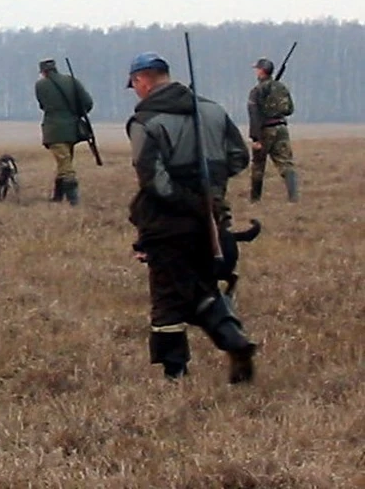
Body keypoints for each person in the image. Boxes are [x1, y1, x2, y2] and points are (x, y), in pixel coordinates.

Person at [125, 52, 257, 383]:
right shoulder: (212, 110)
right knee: (202, 287)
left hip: (167, 224)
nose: (136, 91)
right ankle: (232, 340)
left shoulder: (145, 122)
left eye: (135, 85)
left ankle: (176, 373)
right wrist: (211, 190)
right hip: (213, 220)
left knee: (168, 296)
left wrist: (188, 201)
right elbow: (240, 157)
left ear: (143, 80)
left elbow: (153, 180)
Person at [34, 58, 94, 205]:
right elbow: (88, 103)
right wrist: (76, 113)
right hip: (72, 129)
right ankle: (58, 196)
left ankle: (74, 201)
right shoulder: (72, 81)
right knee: (65, 160)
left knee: (65, 164)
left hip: (54, 129)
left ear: (43, 72)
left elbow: (42, 105)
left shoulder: (41, 85)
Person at [247, 58, 299, 203]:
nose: (256, 71)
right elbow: (289, 109)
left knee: (258, 165)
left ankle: (255, 200)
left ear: (262, 71)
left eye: (257, 69)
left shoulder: (257, 91)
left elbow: (254, 114)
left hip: (265, 130)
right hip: (281, 128)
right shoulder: (282, 88)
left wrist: (255, 138)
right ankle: (293, 197)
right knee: (286, 163)